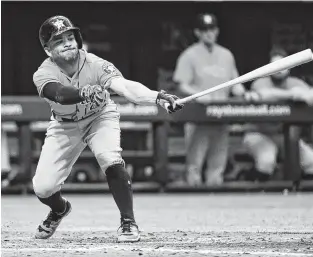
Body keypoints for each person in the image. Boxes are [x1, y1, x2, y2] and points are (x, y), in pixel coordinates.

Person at [32, 16, 183, 242]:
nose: (67, 43)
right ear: (47, 50)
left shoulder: (96, 64)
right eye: (58, 41)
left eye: (70, 37)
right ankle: (60, 209)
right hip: (65, 125)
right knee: (43, 188)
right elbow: (59, 94)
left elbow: (125, 88)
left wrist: (158, 97)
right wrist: (83, 93)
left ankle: (128, 222)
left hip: (99, 117)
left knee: (109, 157)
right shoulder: (43, 73)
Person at [173, 13, 245, 186]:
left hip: (221, 116)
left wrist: (240, 89)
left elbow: (235, 83)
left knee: (217, 167)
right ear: (197, 32)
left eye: (211, 29)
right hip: (198, 117)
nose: (208, 33)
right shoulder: (189, 55)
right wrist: (198, 95)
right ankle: (192, 209)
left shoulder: (227, 55)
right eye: (204, 30)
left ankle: (214, 210)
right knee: (194, 167)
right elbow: (181, 84)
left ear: (217, 31)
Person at [243, 46, 313, 182]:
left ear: (289, 66)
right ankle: (250, 184)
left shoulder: (295, 82)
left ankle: (299, 198)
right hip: (259, 134)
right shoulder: (260, 82)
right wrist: (292, 94)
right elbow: (265, 94)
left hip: (284, 135)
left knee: (312, 162)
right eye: (275, 65)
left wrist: (311, 93)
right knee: (266, 162)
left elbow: (312, 95)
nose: (279, 69)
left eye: (283, 64)